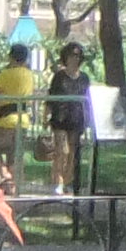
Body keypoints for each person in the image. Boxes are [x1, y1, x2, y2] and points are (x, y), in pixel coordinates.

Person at [0, 39, 41, 186]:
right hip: (23, 119)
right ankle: (14, 186)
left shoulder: (6, 74)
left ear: (11, 57)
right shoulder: (29, 75)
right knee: (14, 156)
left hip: (5, 119)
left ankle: (4, 175)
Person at [43, 40, 93, 189]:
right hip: (60, 118)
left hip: (77, 119)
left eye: (77, 55)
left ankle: (67, 181)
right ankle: (57, 182)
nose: (75, 58)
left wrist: (89, 118)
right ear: (66, 57)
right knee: (62, 151)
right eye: (72, 55)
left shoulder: (84, 78)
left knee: (72, 154)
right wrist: (45, 116)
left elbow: (87, 99)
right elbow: (51, 97)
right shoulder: (59, 76)